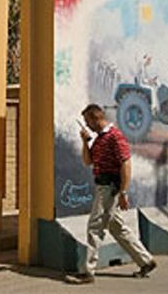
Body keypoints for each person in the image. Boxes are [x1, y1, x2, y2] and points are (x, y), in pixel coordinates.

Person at [65, 104, 157, 285]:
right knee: (117, 227)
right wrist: (85, 142)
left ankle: (88, 272)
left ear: (95, 118)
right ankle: (146, 260)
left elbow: (126, 164)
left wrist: (123, 191)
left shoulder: (115, 136)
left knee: (95, 226)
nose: (87, 125)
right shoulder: (99, 139)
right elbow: (87, 161)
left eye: (87, 121)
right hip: (102, 186)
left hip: (109, 187)